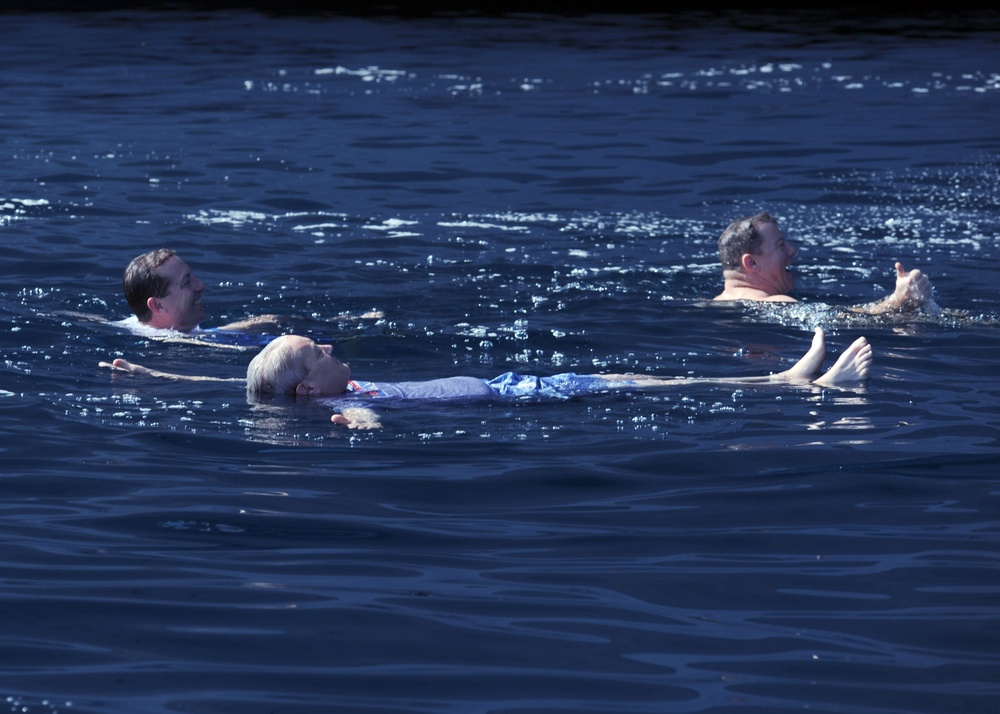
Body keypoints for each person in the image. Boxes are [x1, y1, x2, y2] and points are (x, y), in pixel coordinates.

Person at [100, 329, 874, 430]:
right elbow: (356, 426)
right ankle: (796, 387)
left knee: (634, 373)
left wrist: (152, 369)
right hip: (511, 399)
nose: (333, 345)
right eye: (318, 349)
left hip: (512, 383)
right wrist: (363, 427)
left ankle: (783, 378)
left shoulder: (312, 389)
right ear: (311, 387)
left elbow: (228, 390)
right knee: (638, 385)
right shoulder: (342, 407)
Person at [121, 249, 382, 338]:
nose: (201, 286)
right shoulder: (179, 346)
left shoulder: (129, 324)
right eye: (187, 283)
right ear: (157, 306)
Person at [712, 211, 936, 314]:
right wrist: (900, 300)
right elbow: (850, 320)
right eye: (781, 245)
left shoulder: (712, 306)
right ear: (751, 263)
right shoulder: (777, 303)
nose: (792, 250)